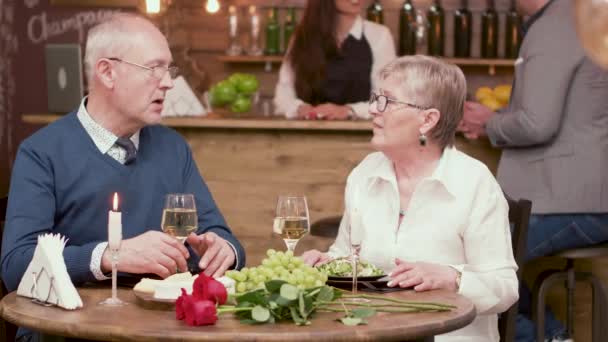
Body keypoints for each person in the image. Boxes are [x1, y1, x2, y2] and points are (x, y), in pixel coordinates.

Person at [1, 13, 245, 296]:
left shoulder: (174, 148)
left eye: (169, 70)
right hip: (67, 332)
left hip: (155, 330)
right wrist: (109, 256)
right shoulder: (41, 153)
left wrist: (223, 249)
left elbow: (224, 238)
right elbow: (16, 267)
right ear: (107, 72)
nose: (168, 82)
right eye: (154, 68)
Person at [302, 55, 519, 341]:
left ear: (427, 119)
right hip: (373, 333)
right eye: (374, 98)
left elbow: (504, 288)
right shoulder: (365, 173)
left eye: (386, 101)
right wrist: (325, 263)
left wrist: (453, 278)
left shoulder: (474, 182)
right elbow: (347, 256)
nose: (372, 110)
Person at [458, 0, 608, 340]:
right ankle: (553, 336)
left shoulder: (556, 25)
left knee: (472, 263)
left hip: (574, 201)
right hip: (586, 198)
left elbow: (537, 124)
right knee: (482, 263)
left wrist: (490, 122)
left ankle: (550, 338)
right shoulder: (576, 18)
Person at [273, 0, 396, 120]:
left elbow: (386, 100)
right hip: (304, 134)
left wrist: (349, 110)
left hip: (358, 137)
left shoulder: (380, 35)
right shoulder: (302, 36)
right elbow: (283, 95)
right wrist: (299, 108)